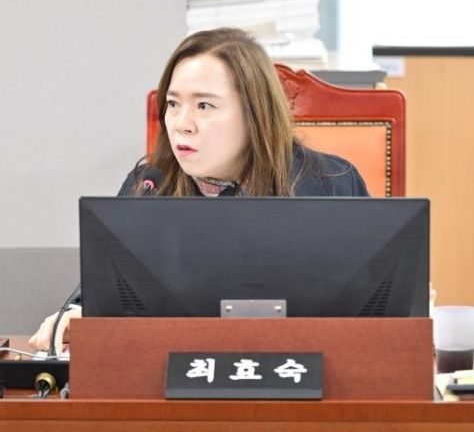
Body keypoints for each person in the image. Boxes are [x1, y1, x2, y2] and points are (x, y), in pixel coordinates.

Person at [29, 27, 368, 354]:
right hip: (181, 377)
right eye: (173, 104)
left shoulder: (331, 183)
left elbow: (374, 304)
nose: (181, 124)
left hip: (301, 373)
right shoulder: (149, 187)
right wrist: (80, 313)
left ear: (255, 114)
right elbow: (107, 293)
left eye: (204, 106)